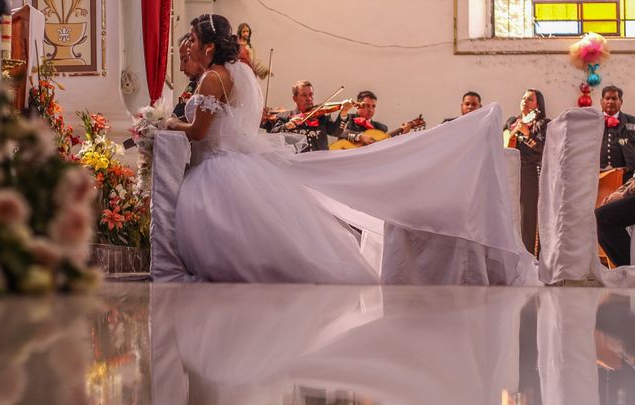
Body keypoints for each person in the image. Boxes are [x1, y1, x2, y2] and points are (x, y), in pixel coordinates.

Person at [164, 13, 538, 286]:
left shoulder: (213, 77)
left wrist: (164, 124)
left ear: (209, 45)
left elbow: (198, 132)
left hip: (219, 164)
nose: (189, 47)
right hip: (234, 162)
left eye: (192, 41)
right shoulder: (234, 74)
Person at [504, 89, 549, 256]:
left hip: (530, 172)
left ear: (538, 105)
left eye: (530, 99)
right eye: (524, 98)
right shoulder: (511, 122)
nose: (525, 101)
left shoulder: (542, 124)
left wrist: (527, 133)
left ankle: (530, 257)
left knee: (528, 216)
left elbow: (543, 149)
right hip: (509, 173)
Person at [270, 80, 350, 152]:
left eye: (311, 95)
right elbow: (273, 136)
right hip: (296, 164)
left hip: (320, 163)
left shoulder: (322, 117)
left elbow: (336, 132)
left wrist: (344, 112)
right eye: (304, 95)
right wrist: (287, 126)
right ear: (295, 98)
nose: (309, 98)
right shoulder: (285, 117)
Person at [599, 85, 635, 183]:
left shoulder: (632, 121)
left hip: (626, 176)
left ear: (621, 102)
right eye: (607, 98)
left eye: (614, 98)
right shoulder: (593, 122)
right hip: (597, 175)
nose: (610, 101)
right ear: (602, 101)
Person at [173, 33, 205, 121]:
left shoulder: (211, 82)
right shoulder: (192, 85)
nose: (181, 68)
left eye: (185, 60)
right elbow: (177, 114)